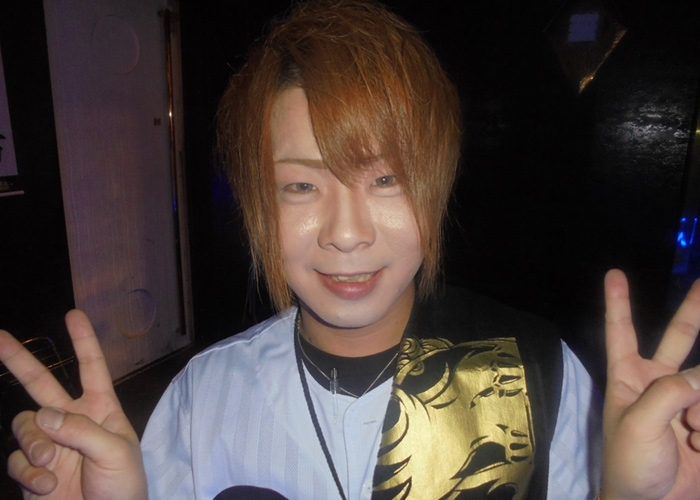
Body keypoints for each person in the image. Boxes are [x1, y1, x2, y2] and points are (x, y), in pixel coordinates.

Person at [1, 1, 700, 499]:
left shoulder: (536, 372)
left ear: (435, 187)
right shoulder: (203, 395)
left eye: (386, 179)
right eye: (302, 185)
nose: (345, 232)